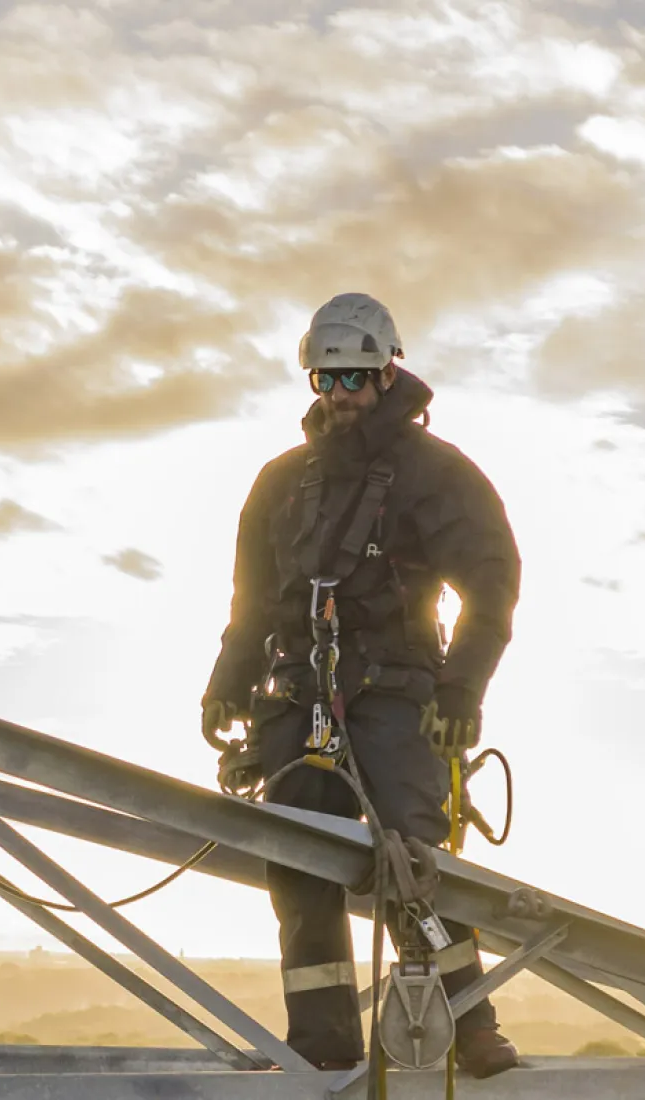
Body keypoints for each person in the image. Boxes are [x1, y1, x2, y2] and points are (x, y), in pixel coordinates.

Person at [201, 293, 522, 1077]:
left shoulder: (436, 475)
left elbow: (491, 583)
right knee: (298, 866)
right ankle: (323, 1043)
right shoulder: (282, 482)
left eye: (353, 379)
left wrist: (461, 691)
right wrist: (228, 684)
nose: (340, 396)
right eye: (326, 380)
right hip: (296, 698)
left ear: (385, 374)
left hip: (396, 693)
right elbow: (253, 601)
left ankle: (468, 1026)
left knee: (415, 862)